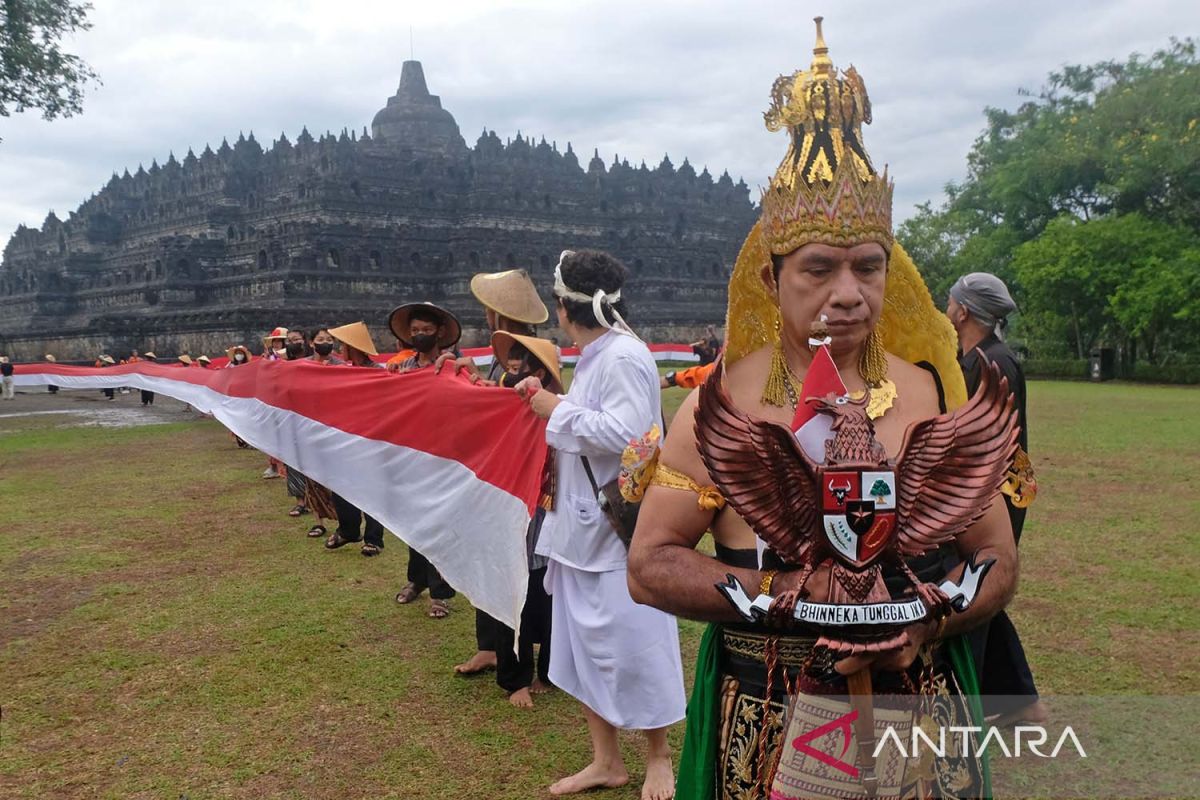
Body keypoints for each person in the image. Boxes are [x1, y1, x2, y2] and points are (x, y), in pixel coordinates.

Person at [626, 22, 1015, 799]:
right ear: (773, 282)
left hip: (920, 709)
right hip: (768, 712)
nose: (848, 291)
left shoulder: (936, 389)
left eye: (868, 267)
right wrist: (795, 600)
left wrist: (923, 623)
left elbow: (996, 561)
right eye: (819, 268)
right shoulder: (724, 404)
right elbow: (651, 563)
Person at [513, 249, 684, 799]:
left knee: (638, 642)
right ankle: (605, 760)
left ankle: (658, 756)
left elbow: (631, 433)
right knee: (582, 649)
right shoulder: (594, 355)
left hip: (613, 530)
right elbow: (594, 419)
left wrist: (553, 411)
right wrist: (553, 401)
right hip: (577, 527)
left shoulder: (622, 356)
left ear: (566, 307)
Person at [437, 268, 550, 677]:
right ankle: (489, 646)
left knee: (516, 565)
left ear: (496, 313)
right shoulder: (501, 355)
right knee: (488, 558)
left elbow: (523, 405)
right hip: (494, 476)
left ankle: (517, 657)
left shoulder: (533, 357)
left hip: (520, 482)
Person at [948, 272, 1045, 725]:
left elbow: (984, 445)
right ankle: (1018, 700)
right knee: (981, 590)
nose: (946, 306)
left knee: (974, 589)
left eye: (951, 300)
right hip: (983, 493)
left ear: (964, 310)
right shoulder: (975, 357)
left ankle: (968, 707)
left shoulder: (992, 363)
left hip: (994, 496)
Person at [491, 331, 560, 708]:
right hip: (512, 506)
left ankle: (550, 670)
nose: (523, 374)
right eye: (517, 366)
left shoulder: (564, 407)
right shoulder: (502, 401)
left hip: (552, 510)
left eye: (531, 367)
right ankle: (515, 677)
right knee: (512, 590)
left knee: (550, 593)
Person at [389, 302, 462, 619]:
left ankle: (441, 593)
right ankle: (416, 580)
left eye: (426, 330)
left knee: (440, 525)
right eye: (415, 331)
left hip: (445, 456)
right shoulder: (401, 370)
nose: (420, 335)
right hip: (411, 455)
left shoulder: (453, 367)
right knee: (413, 523)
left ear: (440, 332)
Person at [323, 321, 390, 557]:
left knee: (371, 489)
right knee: (341, 484)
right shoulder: (345, 372)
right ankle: (348, 529)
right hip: (348, 438)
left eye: (343, 344)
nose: (339, 349)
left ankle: (374, 539)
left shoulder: (378, 372)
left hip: (372, 438)